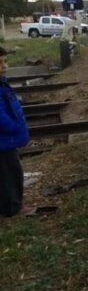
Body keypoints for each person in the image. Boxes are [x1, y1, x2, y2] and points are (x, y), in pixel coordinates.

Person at [0, 46, 32, 218]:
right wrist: (14, 127)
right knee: (10, 174)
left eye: (5, 62)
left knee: (10, 172)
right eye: (0, 63)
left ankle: (11, 205)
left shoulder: (2, 82)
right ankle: (12, 208)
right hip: (4, 140)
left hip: (6, 140)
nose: (4, 66)